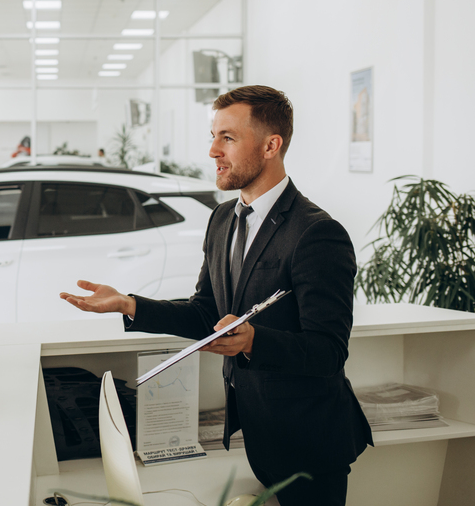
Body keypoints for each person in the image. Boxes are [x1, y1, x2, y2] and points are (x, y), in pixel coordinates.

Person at [60, 86, 372, 506]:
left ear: (270, 145)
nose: (212, 151)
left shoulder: (317, 233)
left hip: (311, 439)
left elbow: (329, 351)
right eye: (213, 135)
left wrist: (253, 340)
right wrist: (128, 304)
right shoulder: (224, 218)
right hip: (260, 432)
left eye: (227, 137)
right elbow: (205, 312)